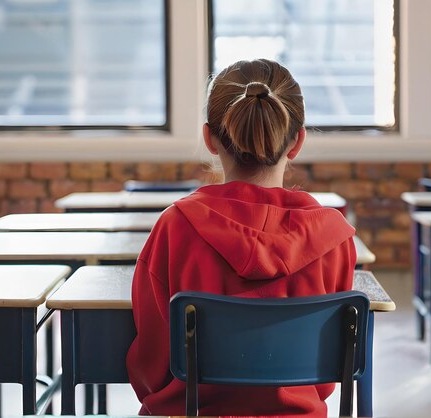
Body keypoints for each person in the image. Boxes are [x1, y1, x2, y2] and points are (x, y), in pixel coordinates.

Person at [126, 59, 356, 416]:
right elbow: (329, 372)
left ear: (209, 139)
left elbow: (153, 365)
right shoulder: (334, 238)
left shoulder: (175, 227)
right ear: (297, 142)